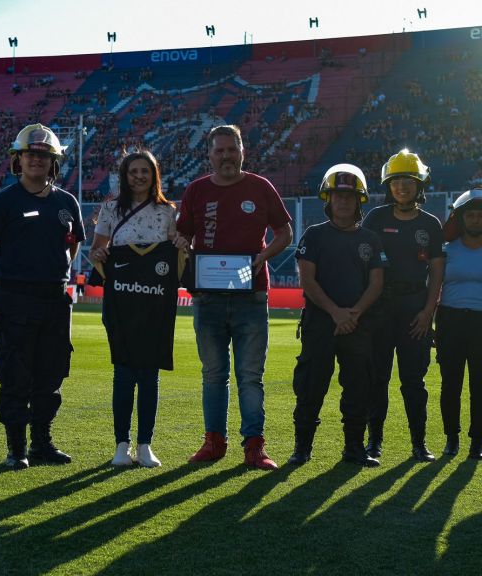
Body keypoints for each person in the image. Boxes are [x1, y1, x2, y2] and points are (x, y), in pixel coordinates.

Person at [177, 124, 292, 470]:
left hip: (251, 294)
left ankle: (254, 446)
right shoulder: (196, 191)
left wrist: (264, 256)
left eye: (232, 149)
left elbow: (284, 232)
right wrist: (182, 242)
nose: (226, 155)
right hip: (208, 297)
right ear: (210, 155)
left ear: (243, 151)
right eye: (220, 150)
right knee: (213, 373)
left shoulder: (260, 187)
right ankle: (214, 442)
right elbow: (181, 233)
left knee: (250, 375)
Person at [0, 124, 85, 470]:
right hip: (14, 299)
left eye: (43, 155)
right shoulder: (3, 201)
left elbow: (74, 242)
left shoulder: (67, 202)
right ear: (18, 160)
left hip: (55, 299)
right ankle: (16, 448)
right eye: (30, 154)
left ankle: (42, 442)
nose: (36, 160)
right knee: (14, 374)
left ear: (53, 161)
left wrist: (59, 271)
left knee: (51, 375)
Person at [89, 150, 186, 468]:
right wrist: (100, 256)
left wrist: (182, 248)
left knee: (149, 375)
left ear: (154, 175)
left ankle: (145, 445)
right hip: (120, 301)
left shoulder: (168, 211)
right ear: (124, 175)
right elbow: (96, 250)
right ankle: (121, 445)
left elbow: (175, 257)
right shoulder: (110, 209)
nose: (139, 176)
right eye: (133, 171)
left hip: (154, 304)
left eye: (145, 171)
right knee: (123, 373)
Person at [289, 164, 383, 467]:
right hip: (320, 324)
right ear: (328, 200)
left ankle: (354, 449)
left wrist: (352, 314)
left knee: (358, 388)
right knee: (310, 386)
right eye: (337, 196)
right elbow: (307, 281)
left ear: (360, 201)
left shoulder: (371, 239)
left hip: (358, 325)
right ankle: (302, 449)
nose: (344, 201)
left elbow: (377, 283)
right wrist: (336, 313)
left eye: (350, 196)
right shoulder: (314, 235)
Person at [363, 149, 444, 462]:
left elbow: (436, 271)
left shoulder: (431, 224)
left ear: (419, 184)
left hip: (415, 311)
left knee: (414, 382)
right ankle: (374, 444)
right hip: (380, 309)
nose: (401, 187)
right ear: (388, 185)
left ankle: (419, 445)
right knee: (377, 379)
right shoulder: (375, 218)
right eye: (396, 181)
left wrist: (428, 312)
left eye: (408, 181)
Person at [436, 189, 482, 459]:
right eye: (471, 215)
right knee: (450, 383)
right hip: (450, 319)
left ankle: (477, 441)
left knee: (480, 384)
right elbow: (434, 288)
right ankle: (451, 438)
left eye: (480, 216)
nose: (476, 220)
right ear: (461, 219)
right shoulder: (446, 250)